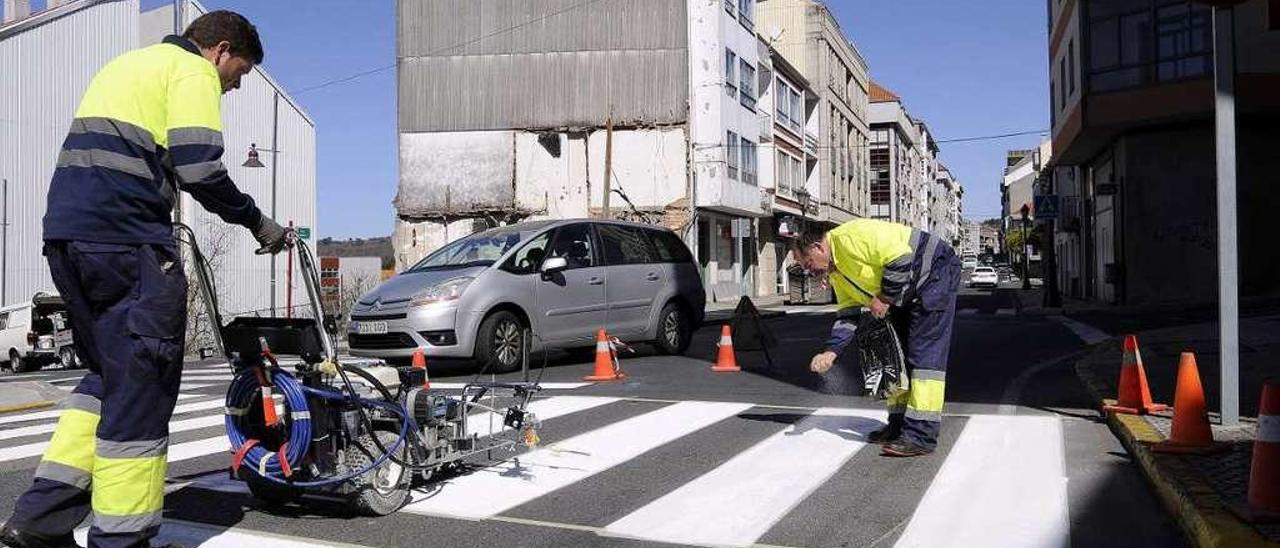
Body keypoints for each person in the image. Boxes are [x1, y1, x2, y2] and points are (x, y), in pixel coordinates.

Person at [1, 11, 287, 548]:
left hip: (68, 239)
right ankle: (121, 538)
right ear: (220, 50)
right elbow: (200, 167)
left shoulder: (129, 65)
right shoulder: (191, 71)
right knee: (143, 386)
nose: (233, 86)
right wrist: (257, 221)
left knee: (107, 380)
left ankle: (39, 521)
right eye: (239, 74)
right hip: (126, 243)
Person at [791, 219, 960, 458]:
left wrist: (884, 296)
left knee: (924, 358)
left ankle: (922, 435)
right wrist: (831, 351)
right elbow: (848, 315)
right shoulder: (837, 273)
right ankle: (898, 425)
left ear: (819, 247)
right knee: (895, 358)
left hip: (934, 272)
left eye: (807, 262)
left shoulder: (851, 237)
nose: (809, 270)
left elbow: (901, 257)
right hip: (905, 291)